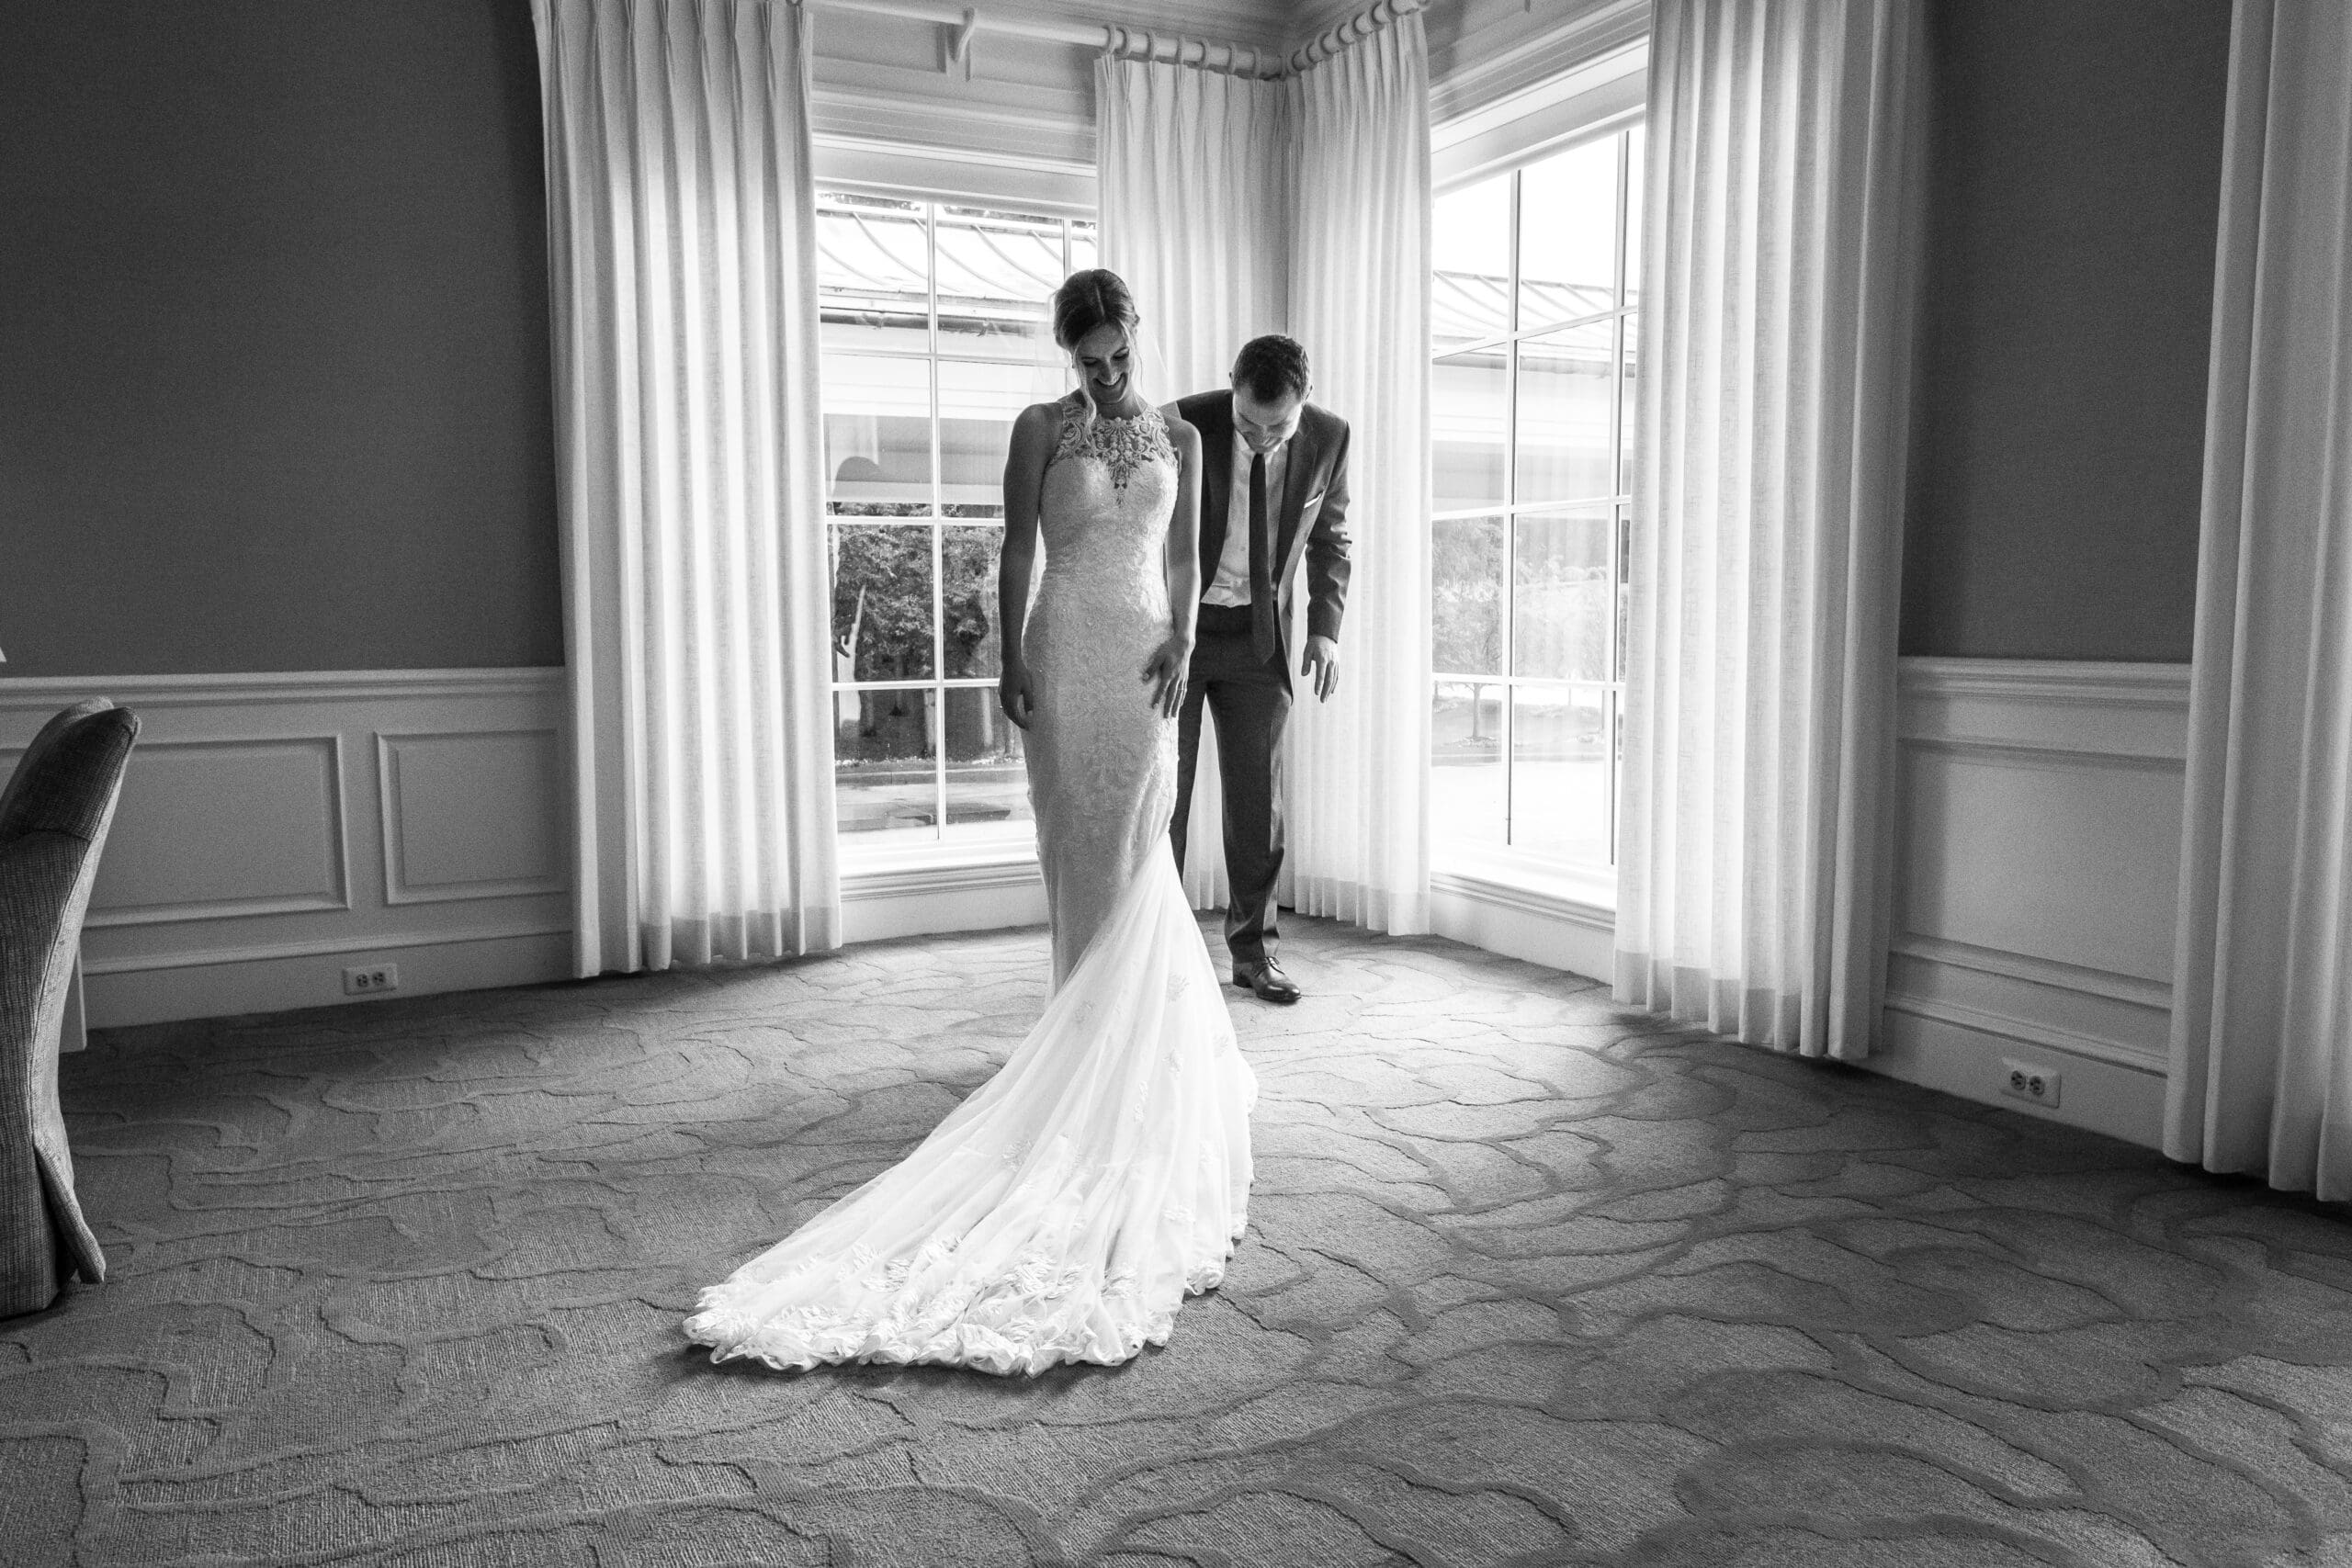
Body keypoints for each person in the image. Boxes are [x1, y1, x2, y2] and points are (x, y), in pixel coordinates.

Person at [684, 270, 1256, 1376]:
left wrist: (1186, 636)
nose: (1106, 373)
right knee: (1077, 855)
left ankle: (1134, 1060)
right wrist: (1005, 651)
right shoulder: (1039, 426)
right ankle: (1075, 1051)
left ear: (1136, 333)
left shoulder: (1179, 433)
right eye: (1087, 359)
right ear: (1065, 352)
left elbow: (1183, 555)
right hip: (1064, 653)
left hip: (1144, 661)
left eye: (1118, 354)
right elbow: (1016, 550)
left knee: (1142, 852)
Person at [1172, 338, 1352, 1005]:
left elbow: (1331, 538)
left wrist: (1327, 633)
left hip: (1259, 639)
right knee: (1168, 797)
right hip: (1178, 636)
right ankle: (1158, 956)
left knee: (1258, 805)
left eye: (1279, 427)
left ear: (1304, 403)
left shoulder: (1331, 437)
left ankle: (1255, 952)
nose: (1263, 439)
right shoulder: (1186, 421)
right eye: (1250, 425)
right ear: (1231, 389)